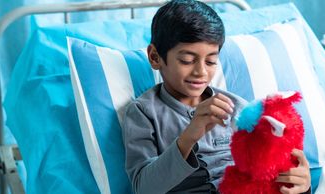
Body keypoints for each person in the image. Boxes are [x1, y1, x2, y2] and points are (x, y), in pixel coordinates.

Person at [122, 0, 311, 193]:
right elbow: (144, 188)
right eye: (187, 60)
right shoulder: (143, 113)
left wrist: (301, 185)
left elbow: (265, 168)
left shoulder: (236, 107)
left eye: (211, 61)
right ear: (155, 57)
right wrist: (188, 137)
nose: (200, 71)